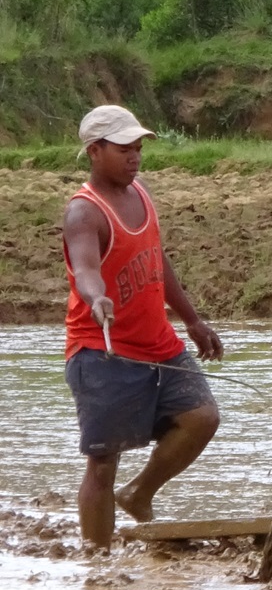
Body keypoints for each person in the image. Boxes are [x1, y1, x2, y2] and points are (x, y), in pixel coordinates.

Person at [62, 105, 223, 547]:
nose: (135, 158)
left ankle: (140, 493)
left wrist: (191, 319)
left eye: (137, 148)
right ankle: (97, 567)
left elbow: (155, 257)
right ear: (95, 151)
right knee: (102, 462)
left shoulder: (141, 192)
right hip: (104, 352)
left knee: (202, 418)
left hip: (159, 345)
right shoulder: (84, 212)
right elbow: (85, 267)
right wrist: (96, 297)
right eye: (123, 149)